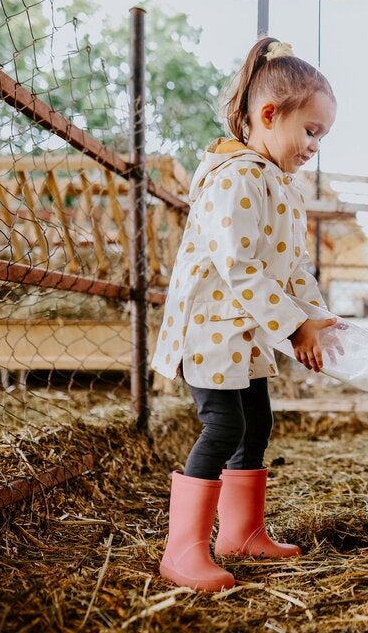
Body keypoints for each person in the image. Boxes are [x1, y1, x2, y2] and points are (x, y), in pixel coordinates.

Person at [150, 37, 337, 591]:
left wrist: (318, 319)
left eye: (322, 136)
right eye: (311, 131)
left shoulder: (280, 185)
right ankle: (181, 551)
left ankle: (241, 532)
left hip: (243, 333)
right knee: (224, 424)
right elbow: (240, 269)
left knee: (257, 421)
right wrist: (293, 323)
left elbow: (294, 267)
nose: (315, 146)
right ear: (269, 115)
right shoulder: (235, 178)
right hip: (209, 329)